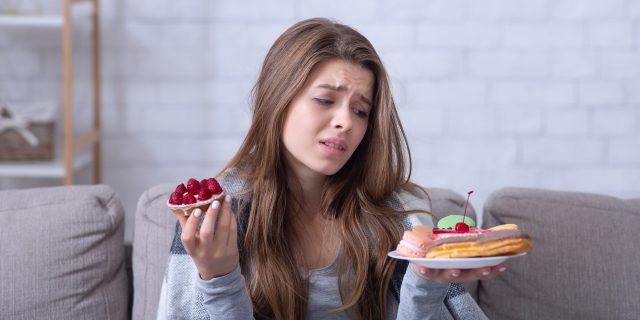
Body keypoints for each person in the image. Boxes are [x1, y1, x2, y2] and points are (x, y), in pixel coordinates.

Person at [157, 18, 505, 320]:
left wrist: (425, 282)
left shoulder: (399, 215)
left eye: (360, 111)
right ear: (279, 98)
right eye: (325, 100)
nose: (345, 122)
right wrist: (218, 277)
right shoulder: (220, 212)